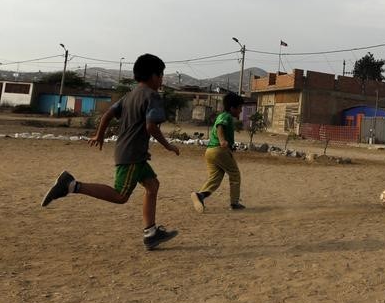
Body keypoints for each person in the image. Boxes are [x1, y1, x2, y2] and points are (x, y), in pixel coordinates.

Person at [41, 53, 181, 251]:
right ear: (153, 76)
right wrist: (168, 145)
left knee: (152, 185)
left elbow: (107, 115)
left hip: (132, 153)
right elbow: (151, 126)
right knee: (120, 196)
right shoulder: (152, 96)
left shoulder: (129, 95)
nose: (162, 80)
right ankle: (71, 185)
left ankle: (151, 233)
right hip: (131, 155)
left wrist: (100, 135)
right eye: (161, 75)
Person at [191, 92, 246, 212]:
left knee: (216, 177)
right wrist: (222, 141)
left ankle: (200, 195)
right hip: (219, 150)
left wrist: (230, 146)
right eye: (240, 108)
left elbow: (221, 129)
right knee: (235, 174)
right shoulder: (226, 116)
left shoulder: (222, 116)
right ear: (232, 108)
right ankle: (234, 203)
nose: (240, 111)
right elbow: (220, 127)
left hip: (210, 151)